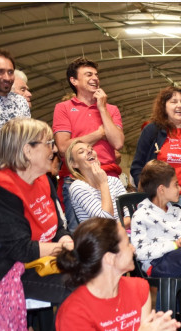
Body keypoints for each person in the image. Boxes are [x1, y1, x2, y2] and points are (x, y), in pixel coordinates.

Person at [0, 117, 73, 331]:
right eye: (47, 144)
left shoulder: (44, 178)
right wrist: (63, 248)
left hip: (40, 263)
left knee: (99, 272)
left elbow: (58, 225)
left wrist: (66, 237)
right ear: (26, 150)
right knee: (79, 287)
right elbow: (20, 250)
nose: (53, 150)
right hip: (7, 272)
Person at [53, 57, 124, 232]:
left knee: (116, 229)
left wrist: (102, 108)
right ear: (74, 81)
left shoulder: (111, 109)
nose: (95, 78)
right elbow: (63, 148)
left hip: (110, 178)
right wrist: (100, 134)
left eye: (96, 74)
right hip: (78, 179)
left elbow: (118, 142)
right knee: (81, 234)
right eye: (88, 74)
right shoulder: (64, 108)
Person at [130, 86, 181, 240]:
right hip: (161, 204)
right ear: (164, 106)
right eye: (173, 102)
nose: (180, 105)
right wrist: (151, 195)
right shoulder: (152, 131)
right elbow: (137, 166)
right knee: (167, 249)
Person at [0, 48, 30, 176]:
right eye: (0, 72)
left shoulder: (20, 102)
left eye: (10, 72)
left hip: (19, 175)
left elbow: (28, 143)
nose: (7, 77)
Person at [66, 140, 129, 227]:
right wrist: (103, 183)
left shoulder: (114, 181)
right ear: (74, 164)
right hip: (98, 240)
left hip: (121, 236)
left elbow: (130, 213)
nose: (89, 151)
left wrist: (117, 227)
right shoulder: (77, 187)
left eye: (91, 148)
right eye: (81, 152)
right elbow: (105, 221)